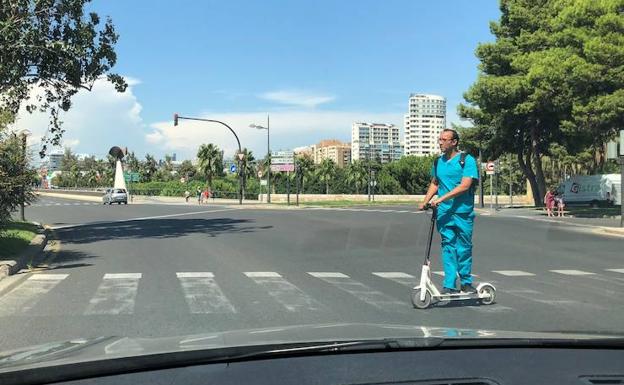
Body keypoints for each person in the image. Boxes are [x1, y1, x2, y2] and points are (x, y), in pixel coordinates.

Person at [419, 129, 479, 294]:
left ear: (454, 142)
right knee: (448, 246)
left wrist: (441, 198)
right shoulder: (438, 162)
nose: (440, 142)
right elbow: (435, 183)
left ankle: (466, 281)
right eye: (440, 139)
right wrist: (425, 201)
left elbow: (465, 185)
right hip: (444, 213)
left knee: (464, 247)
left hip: (463, 212)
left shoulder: (466, 160)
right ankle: (450, 284)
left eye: (444, 139)